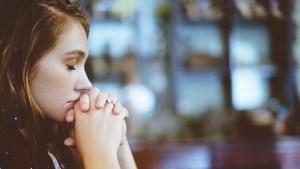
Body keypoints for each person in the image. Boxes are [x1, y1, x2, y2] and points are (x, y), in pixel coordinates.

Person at [0, 0, 137, 168]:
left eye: (84, 66)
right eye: (71, 65)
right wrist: (99, 152)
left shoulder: (55, 146)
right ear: (17, 62)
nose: (87, 84)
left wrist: (119, 146)